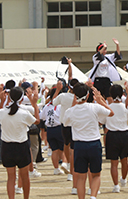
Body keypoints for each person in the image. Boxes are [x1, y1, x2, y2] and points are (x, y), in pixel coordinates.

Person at [63, 83, 114, 199]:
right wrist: (100, 100)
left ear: (75, 96)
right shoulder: (94, 107)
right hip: (94, 144)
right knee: (96, 174)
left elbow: (66, 123)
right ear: (87, 96)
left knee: (81, 176)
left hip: (79, 145)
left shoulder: (70, 111)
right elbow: (111, 113)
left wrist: (74, 103)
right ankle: (93, 196)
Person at [0, 86, 40, 199]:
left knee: (11, 177)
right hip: (21, 146)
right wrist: (34, 104)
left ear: (9, 98)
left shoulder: (3, 111)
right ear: (21, 98)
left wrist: (1, 102)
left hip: (6, 146)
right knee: (25, 177)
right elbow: (37, 121)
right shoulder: (23, 113)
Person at [52, 58, 79, 193]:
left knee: (66, 145)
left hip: (64, 123)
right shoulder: (79, 96)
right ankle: (71, 170)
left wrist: (57, 90)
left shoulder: (63, 96)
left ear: (68, 87)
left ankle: (68, 165)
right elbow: (71, 78)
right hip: (75, 124)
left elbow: (53, 102)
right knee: (74, 147)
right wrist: (69, 65)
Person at [100, 84, 128, 193]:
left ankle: (116, 185)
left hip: (112, 135)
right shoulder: (125, 107)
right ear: (122, 94)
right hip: (124, 134)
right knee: (125, 159)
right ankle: (123, 178)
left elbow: (102, 121)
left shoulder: (108, 107)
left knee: (114, 163)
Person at [40, 88, 65, 175]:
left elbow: (42, 117)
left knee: (54, 149)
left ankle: (56, 168)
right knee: (62, 149)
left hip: (50, 129)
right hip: (59, 128)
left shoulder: (46, 106)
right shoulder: (60, 106)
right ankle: (65, 164)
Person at [89, 38, 122, 104]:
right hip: (98, 79)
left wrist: (117, 45)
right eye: (103, 49)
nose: (104, 50)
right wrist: (103, 47)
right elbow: (98, 55)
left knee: (109, 97)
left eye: (105, 49)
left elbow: (117, 55)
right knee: (99, 97)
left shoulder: (108, 57)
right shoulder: (95, 58)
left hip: (107, 79)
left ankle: (110, 109)